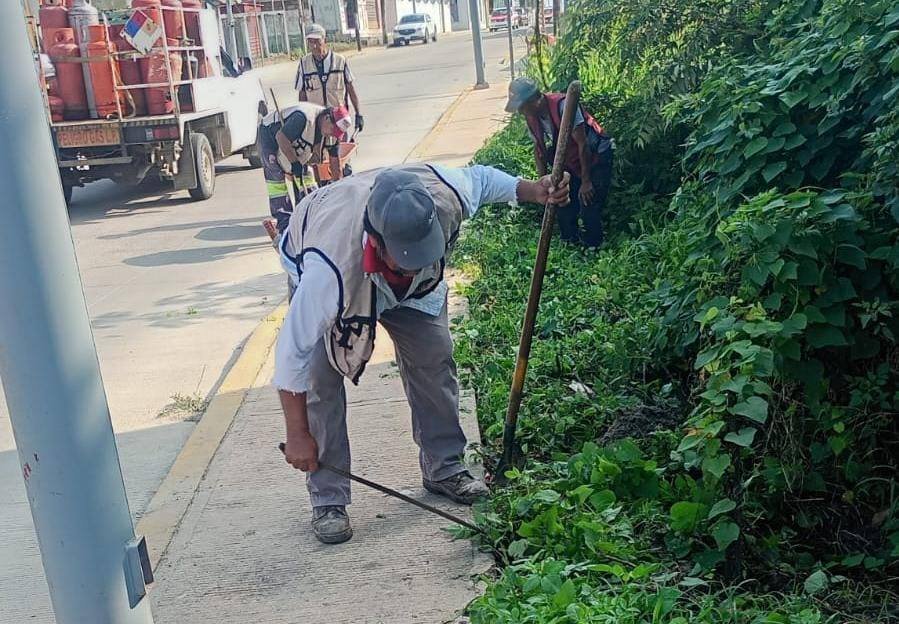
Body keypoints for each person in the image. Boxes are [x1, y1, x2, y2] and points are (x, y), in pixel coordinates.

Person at [275, 163, 570, 544]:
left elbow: (482, 180)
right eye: (404, 255)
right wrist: (297, 434)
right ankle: (328, 497)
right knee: (321, 376)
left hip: (414, 296)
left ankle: (444, 468)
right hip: (344, 268)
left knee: (435, 357)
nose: (412, 262)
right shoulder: (326, 272)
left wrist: (535, 190)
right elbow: (290, 358)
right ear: (378, 240)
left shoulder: (444, 196)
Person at [505, 77, 614, 248]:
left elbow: (582, 144)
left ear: (534, 100)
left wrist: (586, 181)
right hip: (570, 163)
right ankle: (570, 245)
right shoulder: (532, 117)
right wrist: (541, 184)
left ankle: (595, 248)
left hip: (595, 158)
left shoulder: (564, 106)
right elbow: (539, 150)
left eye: (522, 107)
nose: (520, 112)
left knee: (588, 204)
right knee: (563, 204)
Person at [258, 101, 353, 236]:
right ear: (326, 118)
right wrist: (294, 162)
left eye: (336, 133)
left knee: (307, 182)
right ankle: (284, 225)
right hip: (270, 136)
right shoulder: (303, 118)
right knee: (277, 182)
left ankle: (306, 216)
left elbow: (335, 163)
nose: (333, 135)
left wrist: (337, 189)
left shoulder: (332, 135)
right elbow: (281, 137)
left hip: (297, 145)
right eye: (333, 130)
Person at [295, 23, 364, 176]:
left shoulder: (340, 61)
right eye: (310, 42)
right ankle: (321, 192)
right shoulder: (303, 64)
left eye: (317, 41)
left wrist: (359, 114)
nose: (313, 46)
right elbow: (302, 94)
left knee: (337, 162)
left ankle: (339, 186)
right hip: (315, 122)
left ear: (324, 40)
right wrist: (301, 119)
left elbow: (351, 89)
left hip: (337, 121)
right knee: (316, 162)